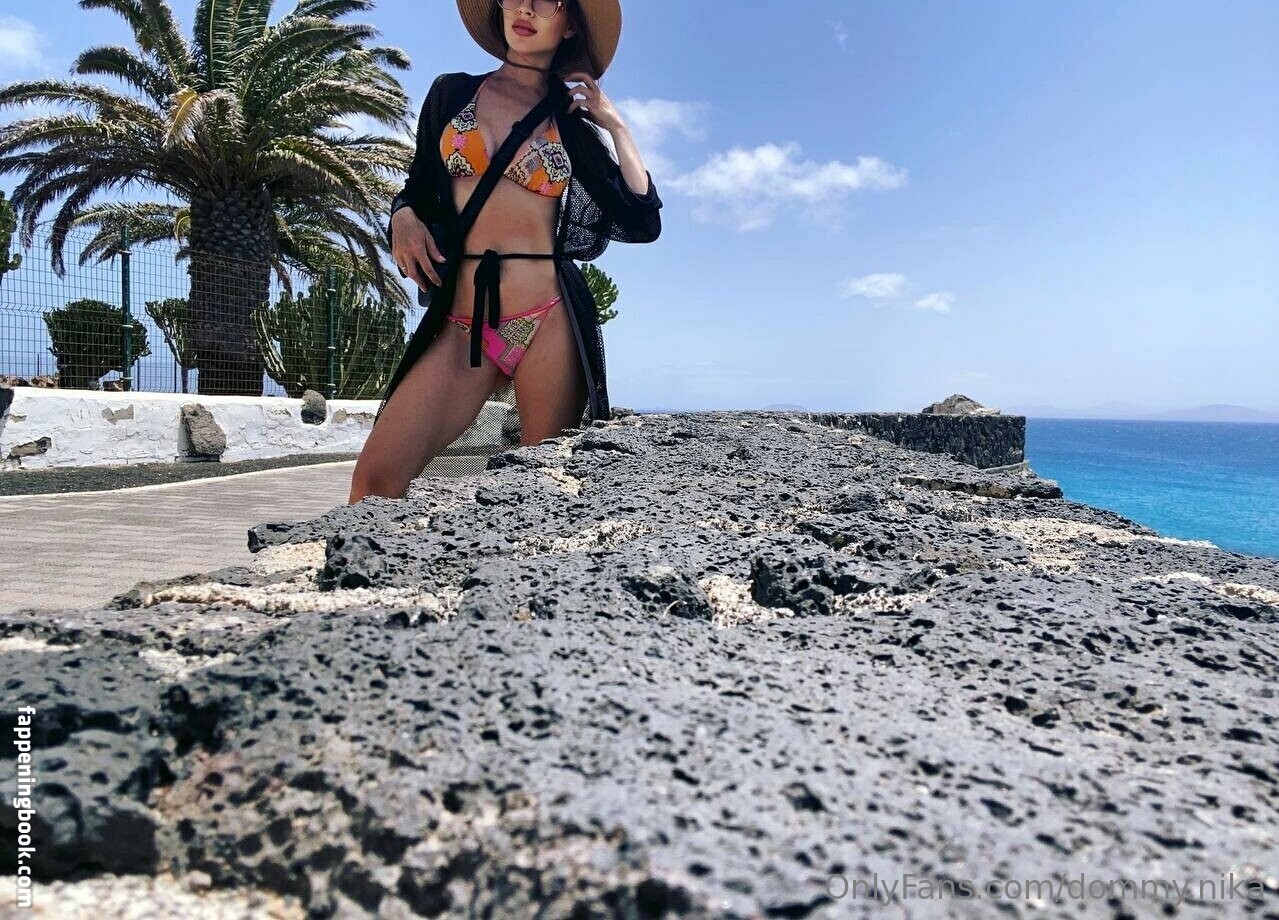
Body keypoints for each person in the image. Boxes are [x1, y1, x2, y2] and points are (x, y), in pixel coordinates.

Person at [348, 0, 663, 503]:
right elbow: (418, 185)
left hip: (547, 319)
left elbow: (641, 219)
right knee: (375, 481)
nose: (527, 8)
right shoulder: (452, 93)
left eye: (548, 1)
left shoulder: (572, 125)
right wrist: (401, 216)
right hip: (462, 322)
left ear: (569, 26)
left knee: (544, 491)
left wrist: (617, 127)